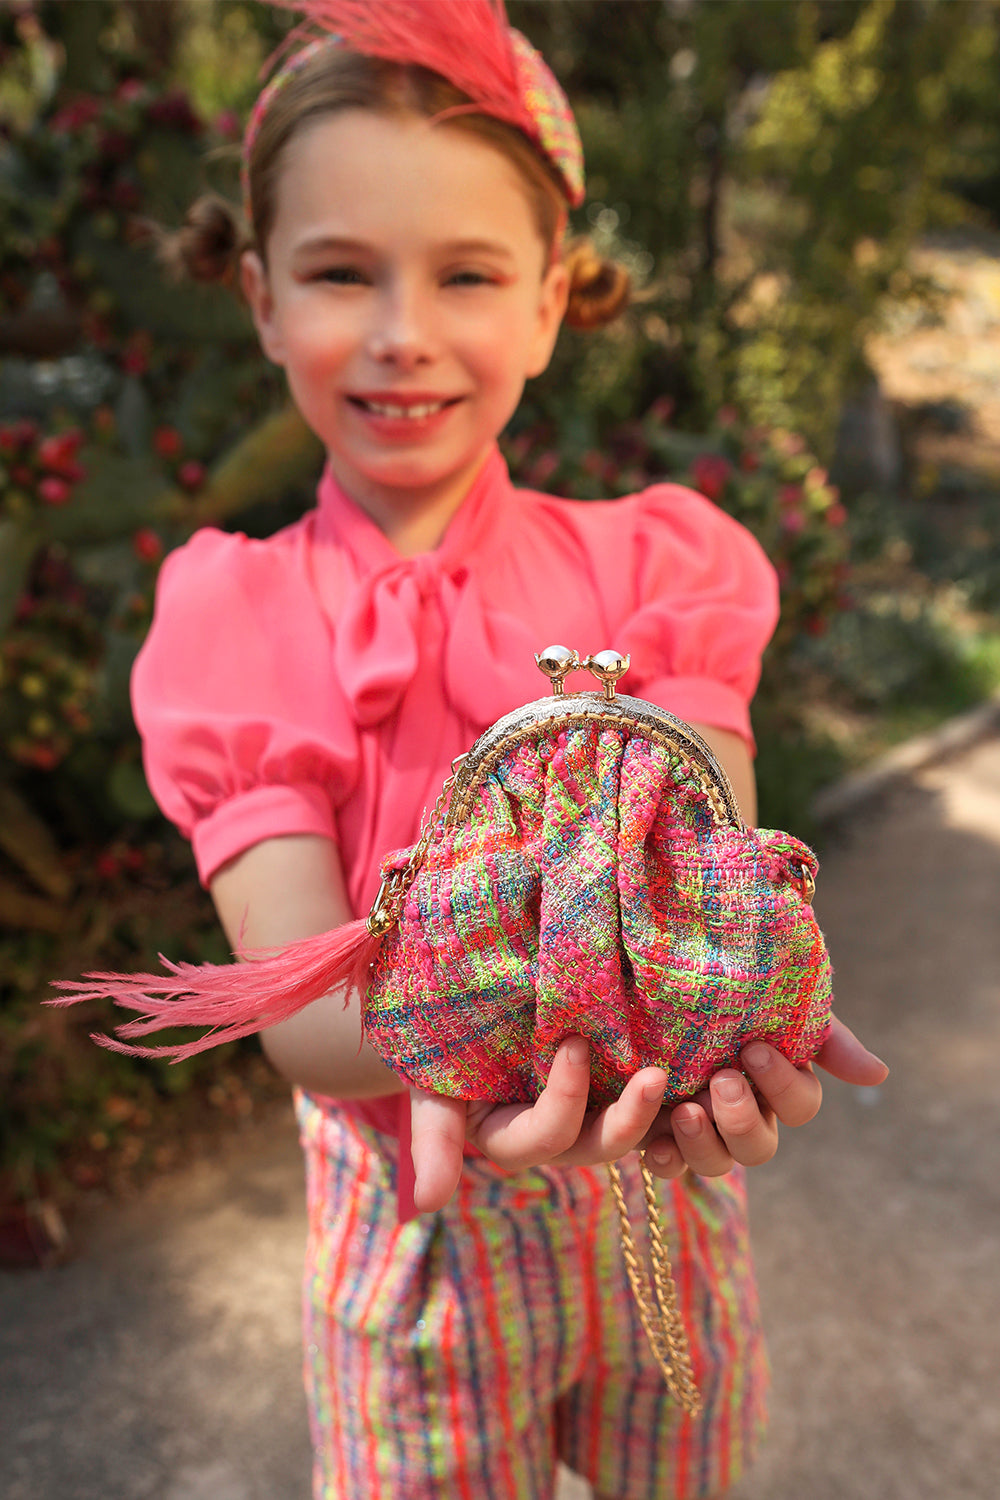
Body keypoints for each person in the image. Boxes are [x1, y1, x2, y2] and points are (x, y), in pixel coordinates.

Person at [121, 4, 888, 1496]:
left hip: (663, 1208)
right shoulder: (242, 618)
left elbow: (711, 896)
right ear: (263, 297)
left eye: (466, 274)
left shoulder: (661, 570)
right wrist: (603, 1005)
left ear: (550, 301)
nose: (403, 330)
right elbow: (304, 1017)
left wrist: (732, 1011)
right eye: (343, 272)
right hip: (411, 1253)